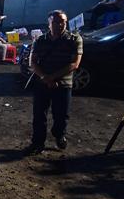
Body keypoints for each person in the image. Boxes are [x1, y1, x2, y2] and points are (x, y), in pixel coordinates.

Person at [24, 10, 83, 155]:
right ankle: (38, 143)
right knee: (39, 115)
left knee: (61, 115)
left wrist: (52, 78)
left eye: (63, 21)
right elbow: (33, 62)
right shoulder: (40, 40)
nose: (60, 24)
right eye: (56, 22)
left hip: (63, 85)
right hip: (42, 83)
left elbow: (74, 64)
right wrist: (45, 77)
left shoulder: (74, 39)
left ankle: (59, 134)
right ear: (49, 24)